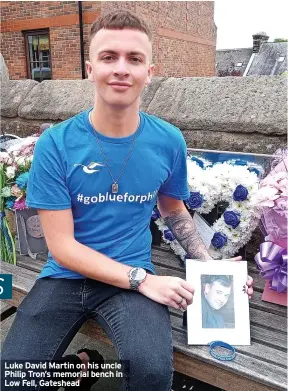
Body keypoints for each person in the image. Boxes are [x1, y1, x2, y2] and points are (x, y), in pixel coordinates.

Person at [1, 10, 253, 391]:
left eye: (134, 59)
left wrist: (211, 265)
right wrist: (143, 281)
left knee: (150, 375)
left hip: (130, 275)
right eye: (108, 57)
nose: (121, 68)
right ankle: (81, 368)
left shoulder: (168, 140)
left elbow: (172, 208)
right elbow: (63, 247)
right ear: (90, 69)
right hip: (67, 277)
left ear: (150, 71)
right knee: (14, 378)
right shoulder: (56, 144)